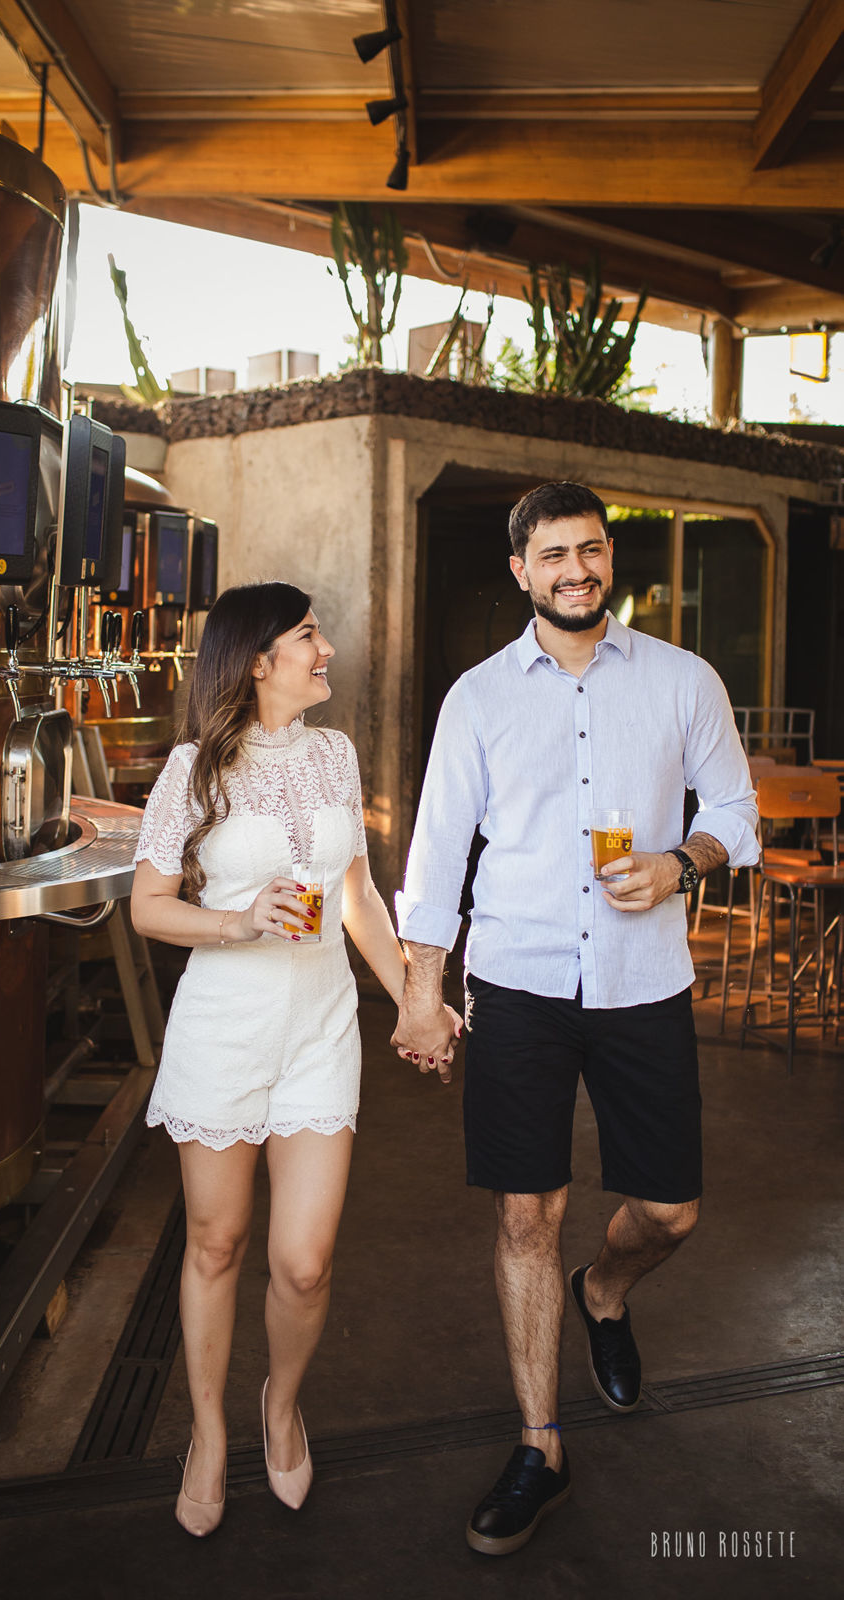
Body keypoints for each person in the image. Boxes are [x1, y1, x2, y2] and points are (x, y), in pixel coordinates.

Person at [392, 482, 759, 1556]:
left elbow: (730, 810)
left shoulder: (683, 680)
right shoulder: (475, 699)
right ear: (520, 570)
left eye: (589, 550)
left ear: (609, 557)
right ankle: (538, 1444)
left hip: (643, 979)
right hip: (516, 983)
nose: (575, 571)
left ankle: (601, 1289)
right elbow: (434, 856)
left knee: (671, 1212)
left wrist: (678, 859)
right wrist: (422, 985)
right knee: (523, 1214)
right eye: (552, 555)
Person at [131, 581, 452, 1538]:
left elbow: (354, 895)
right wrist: (234, 919)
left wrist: (415, 1003)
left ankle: (279, 1406)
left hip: (320, 1031)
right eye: (309, 636)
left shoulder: (336, 753)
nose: (326, 650)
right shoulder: (195, 769)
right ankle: (207, 1434)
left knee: (304, 1264)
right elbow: (149, 906)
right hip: (223, 1030)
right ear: (257, 658)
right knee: (217, 1244)